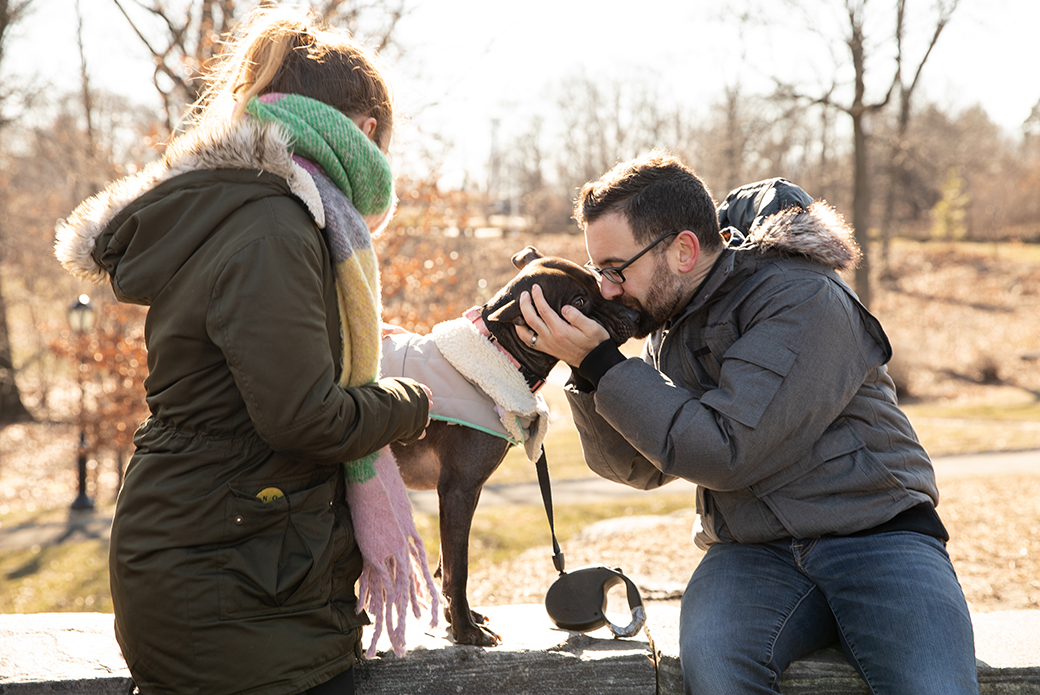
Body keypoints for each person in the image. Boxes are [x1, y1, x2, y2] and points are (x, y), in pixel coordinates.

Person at [54, 7, 435, 695]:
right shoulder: (274, 227)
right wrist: (408, 403)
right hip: (227, 591)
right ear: (366, 133)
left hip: (241, 565)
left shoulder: (259, 210)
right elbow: (302, 416)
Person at [516, 151, 979, 694]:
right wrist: (590, 375)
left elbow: (726, 451)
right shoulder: (672, 323)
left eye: (616, 270)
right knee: (716, 670)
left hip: (878, 538)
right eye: (599, 271)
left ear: (684, 250)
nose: (609, 290)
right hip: (750, 553)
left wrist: (603, 365)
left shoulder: (801, 296)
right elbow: (641, 468)